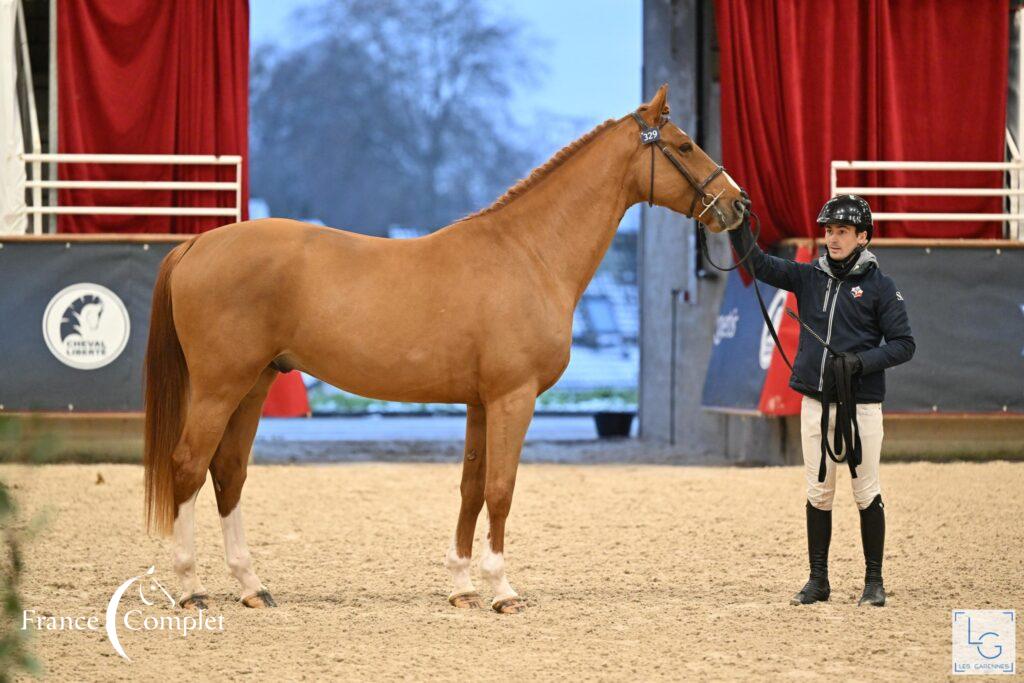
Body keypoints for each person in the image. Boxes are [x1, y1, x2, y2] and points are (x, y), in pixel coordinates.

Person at [728, 194, 915, 607]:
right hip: (814, 404)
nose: (832, 238)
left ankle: (873, 582)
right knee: (818, 492)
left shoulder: (881, 288)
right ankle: (818, 581)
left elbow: (904, 345)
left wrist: (860, 363)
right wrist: (738, 227)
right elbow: (759, 265)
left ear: (862, 237)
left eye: (842, 232)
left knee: (866, 491)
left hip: (860, 406)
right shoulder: (809, 276)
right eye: (829, 231)